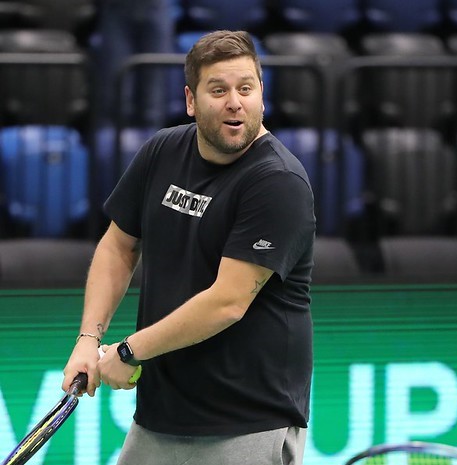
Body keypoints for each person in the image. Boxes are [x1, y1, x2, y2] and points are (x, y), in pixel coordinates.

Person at [63, 30, 316, 465]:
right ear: (190, 101)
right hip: (160, 415)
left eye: (246, 89)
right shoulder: (162, 150)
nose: (235, 102)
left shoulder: (278, 182)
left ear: (261, 95)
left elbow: (227, 302)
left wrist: (128, 351)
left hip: (246, 421)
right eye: (218, 90)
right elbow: (118, 246)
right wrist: (89, 339)